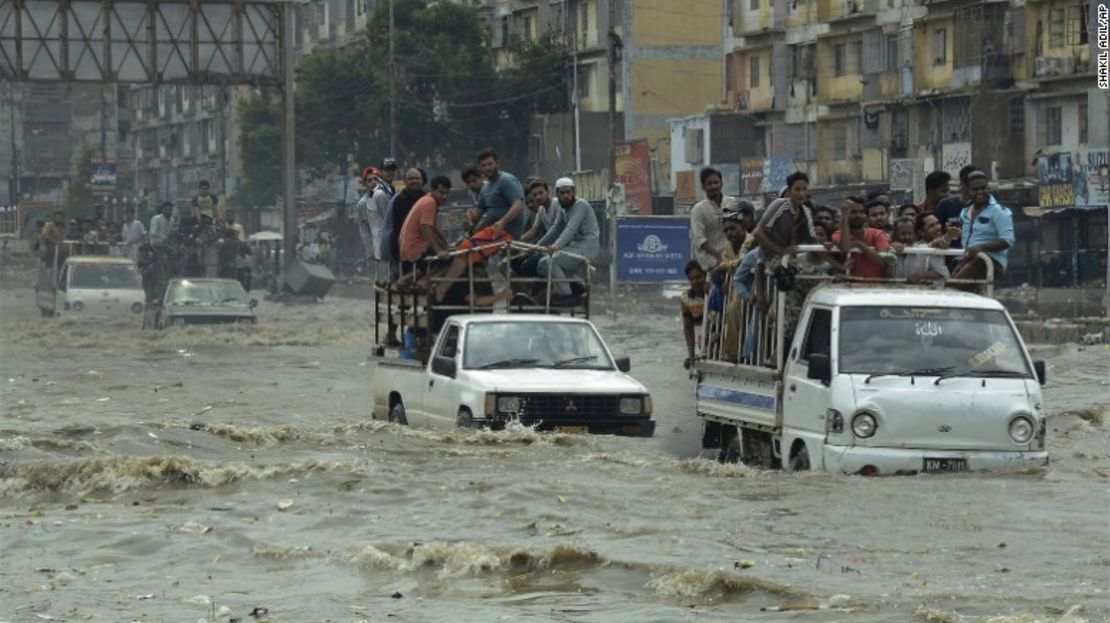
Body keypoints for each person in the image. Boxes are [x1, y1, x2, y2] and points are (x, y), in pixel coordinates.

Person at [535, 177, 600, 304]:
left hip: (588, 246)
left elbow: (570, 229)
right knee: (542, 264)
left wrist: (556, 246)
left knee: (550, 261)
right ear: (557, 194)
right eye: (562, 193)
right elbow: (555, 229)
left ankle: (567, 296)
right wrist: (537, 246)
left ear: (573, 192)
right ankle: (575, 288)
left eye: (568, 192)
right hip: (575, 247)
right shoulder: (562, 208)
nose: (566, 196)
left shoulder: (581, 205)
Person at [952, 170, 1014, 283]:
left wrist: (980, 248)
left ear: (988, 188)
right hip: (968, 260)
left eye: (983, 188)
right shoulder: (965, 212)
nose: (980, 192)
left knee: (953, 287)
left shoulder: (998, 211)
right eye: (975, 189)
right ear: (967, 190)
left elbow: (1008, 241)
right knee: (949, 287)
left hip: (990, 261)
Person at [398, 175, 453, 276]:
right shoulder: (430, 202)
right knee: (450, 260)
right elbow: (425, 227)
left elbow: (434, 230)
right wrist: (439, 251)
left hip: (409, 247)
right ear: (433, 190)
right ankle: (423, 283)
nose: (444, 196)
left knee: (448, 253)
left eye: (446, 193)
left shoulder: (427, 200)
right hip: (416, 248)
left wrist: (446, 246)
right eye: (441, 192)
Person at [690, 167, 739, 271]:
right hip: (710, 259)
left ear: (722, 183)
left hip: (733, 254)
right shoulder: (698, 210)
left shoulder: (732, 203)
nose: (713, 186)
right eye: (709, 184)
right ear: (703, 187)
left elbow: (740, 228)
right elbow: (699, 239)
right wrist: (719, 257)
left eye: (716, 182)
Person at [473, 148, 529, 239]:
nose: (487, 168)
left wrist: (503, 222)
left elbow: (518, 205)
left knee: (466, 248)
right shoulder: (485, 187)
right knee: (462, 247)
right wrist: (470, 217)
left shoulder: (505, 180)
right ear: (480, 168)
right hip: (490, 231)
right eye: (484, 165)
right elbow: (478, 211)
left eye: (490, 164)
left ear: (497, 164)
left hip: (506, 233)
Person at [382, 167, 427, 277]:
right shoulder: (400, 199)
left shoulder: (424, 197)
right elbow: (405, 227)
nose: (414, 181)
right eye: (410, 179)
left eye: (417, 178)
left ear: (422, 181)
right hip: (401, 243)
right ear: (405, 182)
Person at [834, 196, 892, 279]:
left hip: (877, 286)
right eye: (853, 212)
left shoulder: (878, 233)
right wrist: (844, 216)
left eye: (861, 212)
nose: (858, 215)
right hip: (850, 286)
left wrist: (859, 244)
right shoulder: (837, 234)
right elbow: (845, 247)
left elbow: (881, 261)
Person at [680, 260, 708, 370]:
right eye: (691, 279)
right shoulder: (685, 299)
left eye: (698, 277)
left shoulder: (716, 291)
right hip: (703, 346)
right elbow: (688, 328)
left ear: (706, 275)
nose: (695, 281)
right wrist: (691, 355)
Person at [520, 178, 563, 244]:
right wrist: (515, 241)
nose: (538, 197)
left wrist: (538, 244)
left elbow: (555, 230)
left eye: (541, 193)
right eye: (535, 195)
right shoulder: (541, 210)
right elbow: (533, 231)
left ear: (547, 192)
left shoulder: (557, 204)